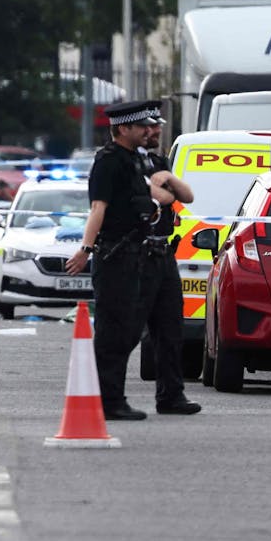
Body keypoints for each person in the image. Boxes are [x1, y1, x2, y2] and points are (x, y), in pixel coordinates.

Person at [64, 99, 170, 421]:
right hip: (114, 255)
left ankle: (111, 397)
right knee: (113, 331)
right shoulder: (109, 162)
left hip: (132, 255)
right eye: (140, 127)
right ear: (123, 129)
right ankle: (109, 401)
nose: (147, 131)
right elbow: (99, 208)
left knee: (125, 329)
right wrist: (85, 249)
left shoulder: (133, 161)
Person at [141, 119, 201, 415]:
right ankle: (108, 395)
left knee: (170, 328)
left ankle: (171, 395)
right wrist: (162, 183)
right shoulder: (127, 162)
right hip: (138, 254)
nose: (155, 133)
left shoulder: (158, 160)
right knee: (126, 330)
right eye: (149, 128)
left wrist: (166, 177)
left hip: (164, 252)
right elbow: (163, 197)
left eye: (156, 128)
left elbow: (185, 196)